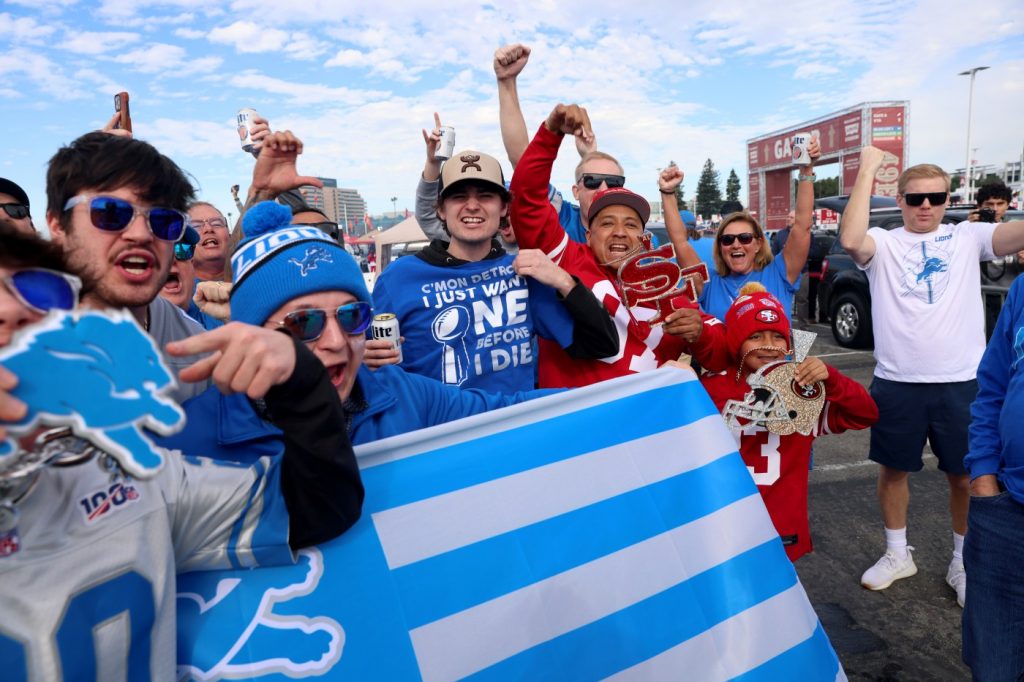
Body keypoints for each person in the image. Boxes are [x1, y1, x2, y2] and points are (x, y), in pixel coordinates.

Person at [0, 225, 363, 680]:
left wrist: (301, 381)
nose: (13, 308)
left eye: (37, 290)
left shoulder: (139, 481)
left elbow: (322, 507)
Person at [173, 200, 556, 459]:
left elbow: (508, 413)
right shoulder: (188, 441)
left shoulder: (400, 394)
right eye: (305, 323)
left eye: (351, 316)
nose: (337, 341)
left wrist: (613, 402)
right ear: (253, 334)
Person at [840, 145, 1024, 606]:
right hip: (897, 380)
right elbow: (849, 240)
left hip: (961, 380)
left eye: (937, 197)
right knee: (893, 469)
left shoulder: (968, 236)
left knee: (965, 476)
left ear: (947, 200)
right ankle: (898, 552)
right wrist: (868, 168)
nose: (927, 205)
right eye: (916, 198)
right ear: (899, 200)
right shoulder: (883, 241)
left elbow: (1015, 236)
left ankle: (962, 560)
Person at [510, 103, 728, 388]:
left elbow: (721, 357)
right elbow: (526, 197)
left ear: (644, 237)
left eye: (631, 224)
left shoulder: (664, 288)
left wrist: (700, 334)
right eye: (607, 223)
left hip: (642, 427)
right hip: (576, 424)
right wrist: (551, 134)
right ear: (587, 234)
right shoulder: (566, 258)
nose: (620, 233)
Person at [369, 149, 617, 391]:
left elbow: (602, 344)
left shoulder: (522, 273)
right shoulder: (398, 278)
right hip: (438, 428)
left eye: (486, 196)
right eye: (459, 197)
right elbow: (373, 374)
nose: (473, 206)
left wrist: (564, 281)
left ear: (504, 208)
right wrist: (362, 359)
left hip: (511, 427)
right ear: (441, 209)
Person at [694, 283, 878, 561]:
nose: (768, 346)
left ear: (789, 343)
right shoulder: (708, 388)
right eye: (755, 336)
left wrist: (832, 379)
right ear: (735, 341)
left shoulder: (802, 389)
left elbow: (865, 413)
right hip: (722, 519)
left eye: (777, 337)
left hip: (778, 525)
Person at [44, 131, 213, 403]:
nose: (141, 234)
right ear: (57, 226)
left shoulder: (198, 351)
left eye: (163, 220)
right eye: (111, 212)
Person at [963, 274, 1024, 678]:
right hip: (1004, 509)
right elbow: (993, 386)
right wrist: (983, 474)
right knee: (994, 666)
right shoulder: (1022, 288)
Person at [691, 142, 819, 322]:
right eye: (727, 239)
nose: (736, 244)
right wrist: (667, 192)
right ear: (720, 246)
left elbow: (802, 228)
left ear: (758, 243)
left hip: (779, 351)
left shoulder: (779, 273)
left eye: (745, 238)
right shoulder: (711, 282)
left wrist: (806, 171)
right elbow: (680, 243)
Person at [159, 225, 223, 330]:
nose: (172, 259)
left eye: (181, 249)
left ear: (191, 265)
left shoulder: (225, 314)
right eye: (158, 251)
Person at [188, 201, 231, 282]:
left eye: (216, 223)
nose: (208, 229)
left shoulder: (253, 275)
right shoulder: (170, 289)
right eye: (196, 226)